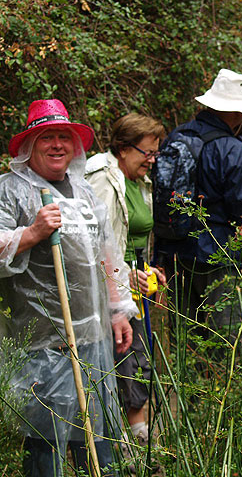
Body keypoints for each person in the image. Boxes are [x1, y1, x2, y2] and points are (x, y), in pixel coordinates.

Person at [0, 99, 136, 475]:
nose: (58, 144)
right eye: (47, 137)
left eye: (64, 136)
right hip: (42, 342)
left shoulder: (85, 191)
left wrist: (119, 311)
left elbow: (108, 254)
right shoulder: (10, 190)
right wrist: (31, 233)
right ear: (29, 145)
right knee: (48, 441)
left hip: (93, 337)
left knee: (99, 435)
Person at [154, 69, 242, 362]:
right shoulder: (232, 149)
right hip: (217, 253)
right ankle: (221, 403)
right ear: (240, 113)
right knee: (225, 342)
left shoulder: (178, 136)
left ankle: (189, 401)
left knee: (185, 342)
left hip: (174, 251)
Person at [85, 113, 167, 445]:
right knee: (121, 357)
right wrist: (122, 277)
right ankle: (116, 439)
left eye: (155, 152)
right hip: (108, 287)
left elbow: (133, 234)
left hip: (134, 280)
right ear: (122, 147)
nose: (151, 160)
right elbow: (97, 241)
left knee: (135, 355)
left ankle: (135, 433)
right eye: (146, 152)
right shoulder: (103, 178)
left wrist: (148, 271)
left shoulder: (137, 180)